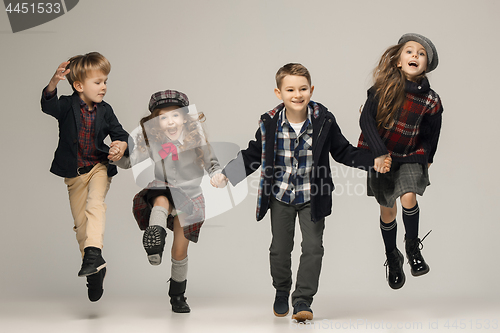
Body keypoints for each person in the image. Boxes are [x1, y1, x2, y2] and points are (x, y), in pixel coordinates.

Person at [221, 63, 391, 322]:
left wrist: (374, 160)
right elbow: (254, 153)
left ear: (311, 90)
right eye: (290, 89)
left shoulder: (324, 120)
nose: (297, 95)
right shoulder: (270, 123)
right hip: (280, 195)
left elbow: (343, 151)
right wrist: (227, 174)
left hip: (313, 195)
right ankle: (281, 289)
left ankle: (303, 299)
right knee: (280, 248)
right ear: (279, 93)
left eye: (302, 89)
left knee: (313, 248)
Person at [112, 90, 226, 313]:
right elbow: (129, 162)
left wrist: (217, 176)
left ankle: (177, 296)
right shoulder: (155, 143)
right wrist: (116, 155)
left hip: (189, 198)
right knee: (161, 198)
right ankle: (155, 239)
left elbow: (212, 164)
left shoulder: (196, 140)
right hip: (163, 189)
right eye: (163, 117)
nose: (170, 121)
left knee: (179, 252)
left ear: (184, 117)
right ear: (155, 122)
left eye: (175, 115)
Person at [40, 52, 129, 302]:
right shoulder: (67, 105)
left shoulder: (106, 110)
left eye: (105, 81)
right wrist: (54, 82)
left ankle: (93, 252)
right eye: (98, 82)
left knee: (95, 205)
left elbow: (121, 134)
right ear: (79, 86)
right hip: (73, 174)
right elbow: (48, 104)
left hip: (98, 167)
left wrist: (120, 146)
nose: (104, 87)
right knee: (81, 226)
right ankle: (95, 269)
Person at [358, 33, 443, 290]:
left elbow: (432, 131)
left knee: (409, 196)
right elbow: (366, 121)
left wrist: (428, 156)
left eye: (421, 53)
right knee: (388, 211)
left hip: (409, 155)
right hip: (382, 155)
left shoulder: (431, 99)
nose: (415, 55)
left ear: (426, 65)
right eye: (409, 51)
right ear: (398, 60)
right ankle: (392, 257)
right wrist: (378, 152)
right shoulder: (382, 89)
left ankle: (412, 247)